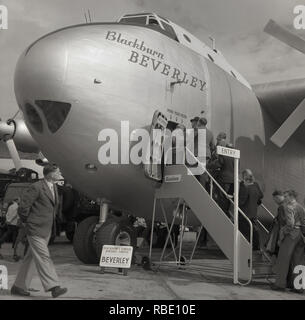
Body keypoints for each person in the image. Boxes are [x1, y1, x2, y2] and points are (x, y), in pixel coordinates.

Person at [11, 164, 67, 298]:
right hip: (35, 228)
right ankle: (53, 286)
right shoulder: (36, 187)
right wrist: (27, 222)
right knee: (43, 257)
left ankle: (18, 286)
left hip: (46, 228)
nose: (60, 173)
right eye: (57, 171)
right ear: (50, 174)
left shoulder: (53, 186)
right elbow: (23, 207)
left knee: (30, 258)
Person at [271, 190, 305, 293]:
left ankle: (279, 284)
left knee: (283, 260)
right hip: (300, 235)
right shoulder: (300, 207)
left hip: (291, 235)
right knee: (298, 261)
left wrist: (282, 231)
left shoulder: (288, 207)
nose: (284, 198)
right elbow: (303, 222)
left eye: (286, 196)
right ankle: (299, 286)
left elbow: (290, 224)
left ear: (291, 197)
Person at [239, 169, 264, 250]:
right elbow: (261, 195)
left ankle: (247, 248)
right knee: (254, 229)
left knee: (244, 231)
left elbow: (242, 201)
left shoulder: (244, 186)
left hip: (244, 213)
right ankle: (256, 247)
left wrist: (234, 197)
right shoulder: (256, 184)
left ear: (243, 176)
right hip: (253, 211)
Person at [264, 190, 286, 258]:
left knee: (275, 245)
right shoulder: (287, 204)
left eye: (275, 199)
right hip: (284, 228)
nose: (275, 201)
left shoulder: (281, 207)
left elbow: (282, 220)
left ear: (277, 197)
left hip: (280, 229)